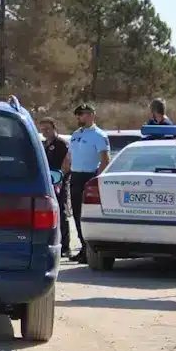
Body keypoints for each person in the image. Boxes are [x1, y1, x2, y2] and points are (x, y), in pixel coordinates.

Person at [67, 103, 110, 263]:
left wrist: (96, 180)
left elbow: (105, 160)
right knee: (77, 214)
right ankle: (83, 247)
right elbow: (69, 158)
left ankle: (90, 249)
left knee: (88, 214)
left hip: (89, 177)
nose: (79, 117)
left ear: (91, 115)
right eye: (77, 115)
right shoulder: (75, 134)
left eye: (82, 114)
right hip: (75, 177)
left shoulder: (99, 135)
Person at [38, 117, 72, 258]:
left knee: (61, 212)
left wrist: (60, 179)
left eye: (48, 129)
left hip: (59, 182)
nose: (45, 132)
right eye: (42, 129)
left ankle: (66, 246)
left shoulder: (61, 144)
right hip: (47, 183)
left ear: (54, 128)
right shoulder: (43, 144)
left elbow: (67, 163)